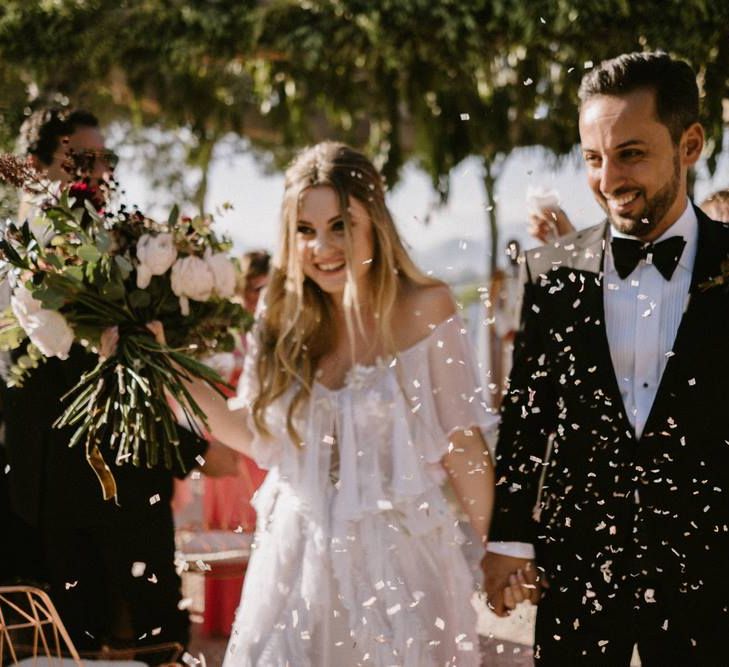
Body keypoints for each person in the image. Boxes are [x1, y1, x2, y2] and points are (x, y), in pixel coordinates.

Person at [175, 141, 496, 666]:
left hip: (403, 568)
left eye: (340, 225)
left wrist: (500, 549)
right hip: (295, 563)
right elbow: (258, 434)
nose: (321, 246)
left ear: (374, 222)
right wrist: (173, 378)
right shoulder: (282, 322)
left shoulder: (428, 308)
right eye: (305, 230)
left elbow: (462, 442)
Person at [483, 51, 729, 665]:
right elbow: (527, 415)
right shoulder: (552, 273)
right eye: (593, 158)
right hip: (580, 570)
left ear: (690, 143)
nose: (608, 178)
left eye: (631, 153)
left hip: (713, 570)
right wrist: (510, 536)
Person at [1, 107, 240, 662]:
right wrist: (194, 452)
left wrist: (192, 445)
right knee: (64, 651)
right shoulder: (18, 256)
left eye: (105, 159)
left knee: (158, 648)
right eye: (81, 159)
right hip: (52, 508)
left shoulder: (122, 249)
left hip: (131, 496)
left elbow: (139, 373)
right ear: (36, 168)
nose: (99, 171)